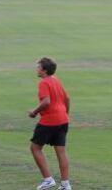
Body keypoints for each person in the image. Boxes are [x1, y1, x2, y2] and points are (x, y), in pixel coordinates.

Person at [29, 57, 71, 190]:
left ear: (44, 70)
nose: (36, 69)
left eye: (38, 67)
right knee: (61, 152)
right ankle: (65, 184)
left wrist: (34, 112)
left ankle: (48, 180)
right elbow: (67, 98)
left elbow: (46, 101)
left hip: (49, 121)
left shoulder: (44, 83)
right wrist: (65, 113)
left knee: (35, 148)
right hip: (63, 119)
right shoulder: (56, 80)